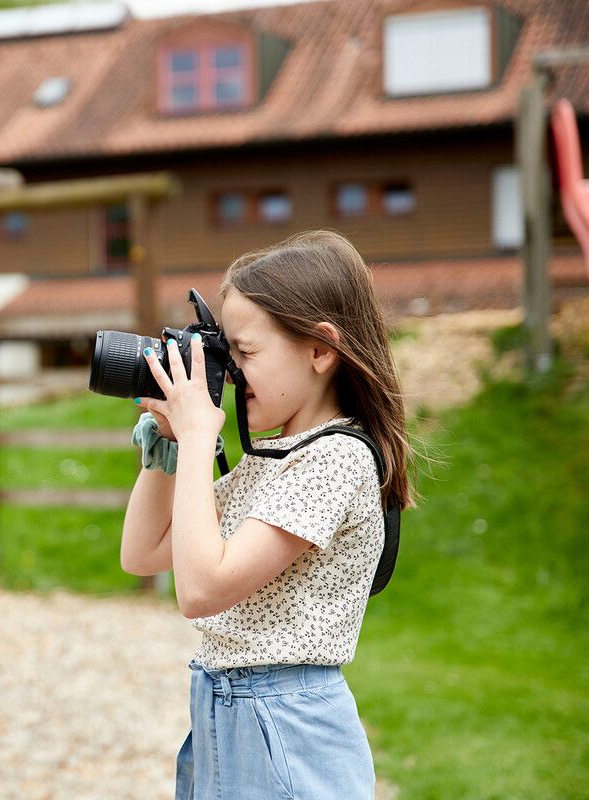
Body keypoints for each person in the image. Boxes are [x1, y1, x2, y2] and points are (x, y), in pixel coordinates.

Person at [120, 230, 414, 799]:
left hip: (286, 724)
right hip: (224, 713)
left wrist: (205, 438)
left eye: (245, 354)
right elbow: (144, 552)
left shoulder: (336, 460)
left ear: (320, 350)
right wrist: (171, 444)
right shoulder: (271, 461)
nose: (230, 374)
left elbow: (201, 590)